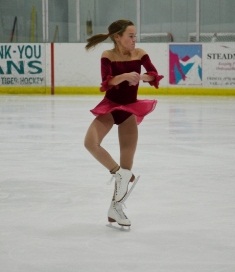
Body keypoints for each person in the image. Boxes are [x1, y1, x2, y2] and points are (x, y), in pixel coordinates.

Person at [84, 19, 164, 227]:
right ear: (117, 37)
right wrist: (124, 76)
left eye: (135, 36)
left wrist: (142, 77)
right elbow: (106, 82)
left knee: (128, 164)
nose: (134, 40)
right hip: (111, 106)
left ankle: (116, 208)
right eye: (130, 36)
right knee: (90, 143)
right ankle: (117, 172)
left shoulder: (140, 53)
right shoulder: (107, 56)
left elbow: (153, 75)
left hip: (130, 109)